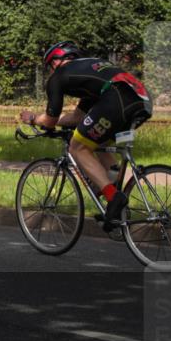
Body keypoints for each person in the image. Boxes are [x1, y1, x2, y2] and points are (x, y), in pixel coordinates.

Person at [20, 41, 152, 231]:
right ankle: (114, 189)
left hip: (117, 99)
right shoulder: (89, 72)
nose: (51, 71)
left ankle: (113, 197)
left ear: (56, 61)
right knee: (98, 140)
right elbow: (78, 117)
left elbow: (49, 120)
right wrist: (56, 122)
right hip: (141, 101)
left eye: (50, 66)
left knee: (77, 147)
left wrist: (32, 118)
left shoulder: (59, 76)